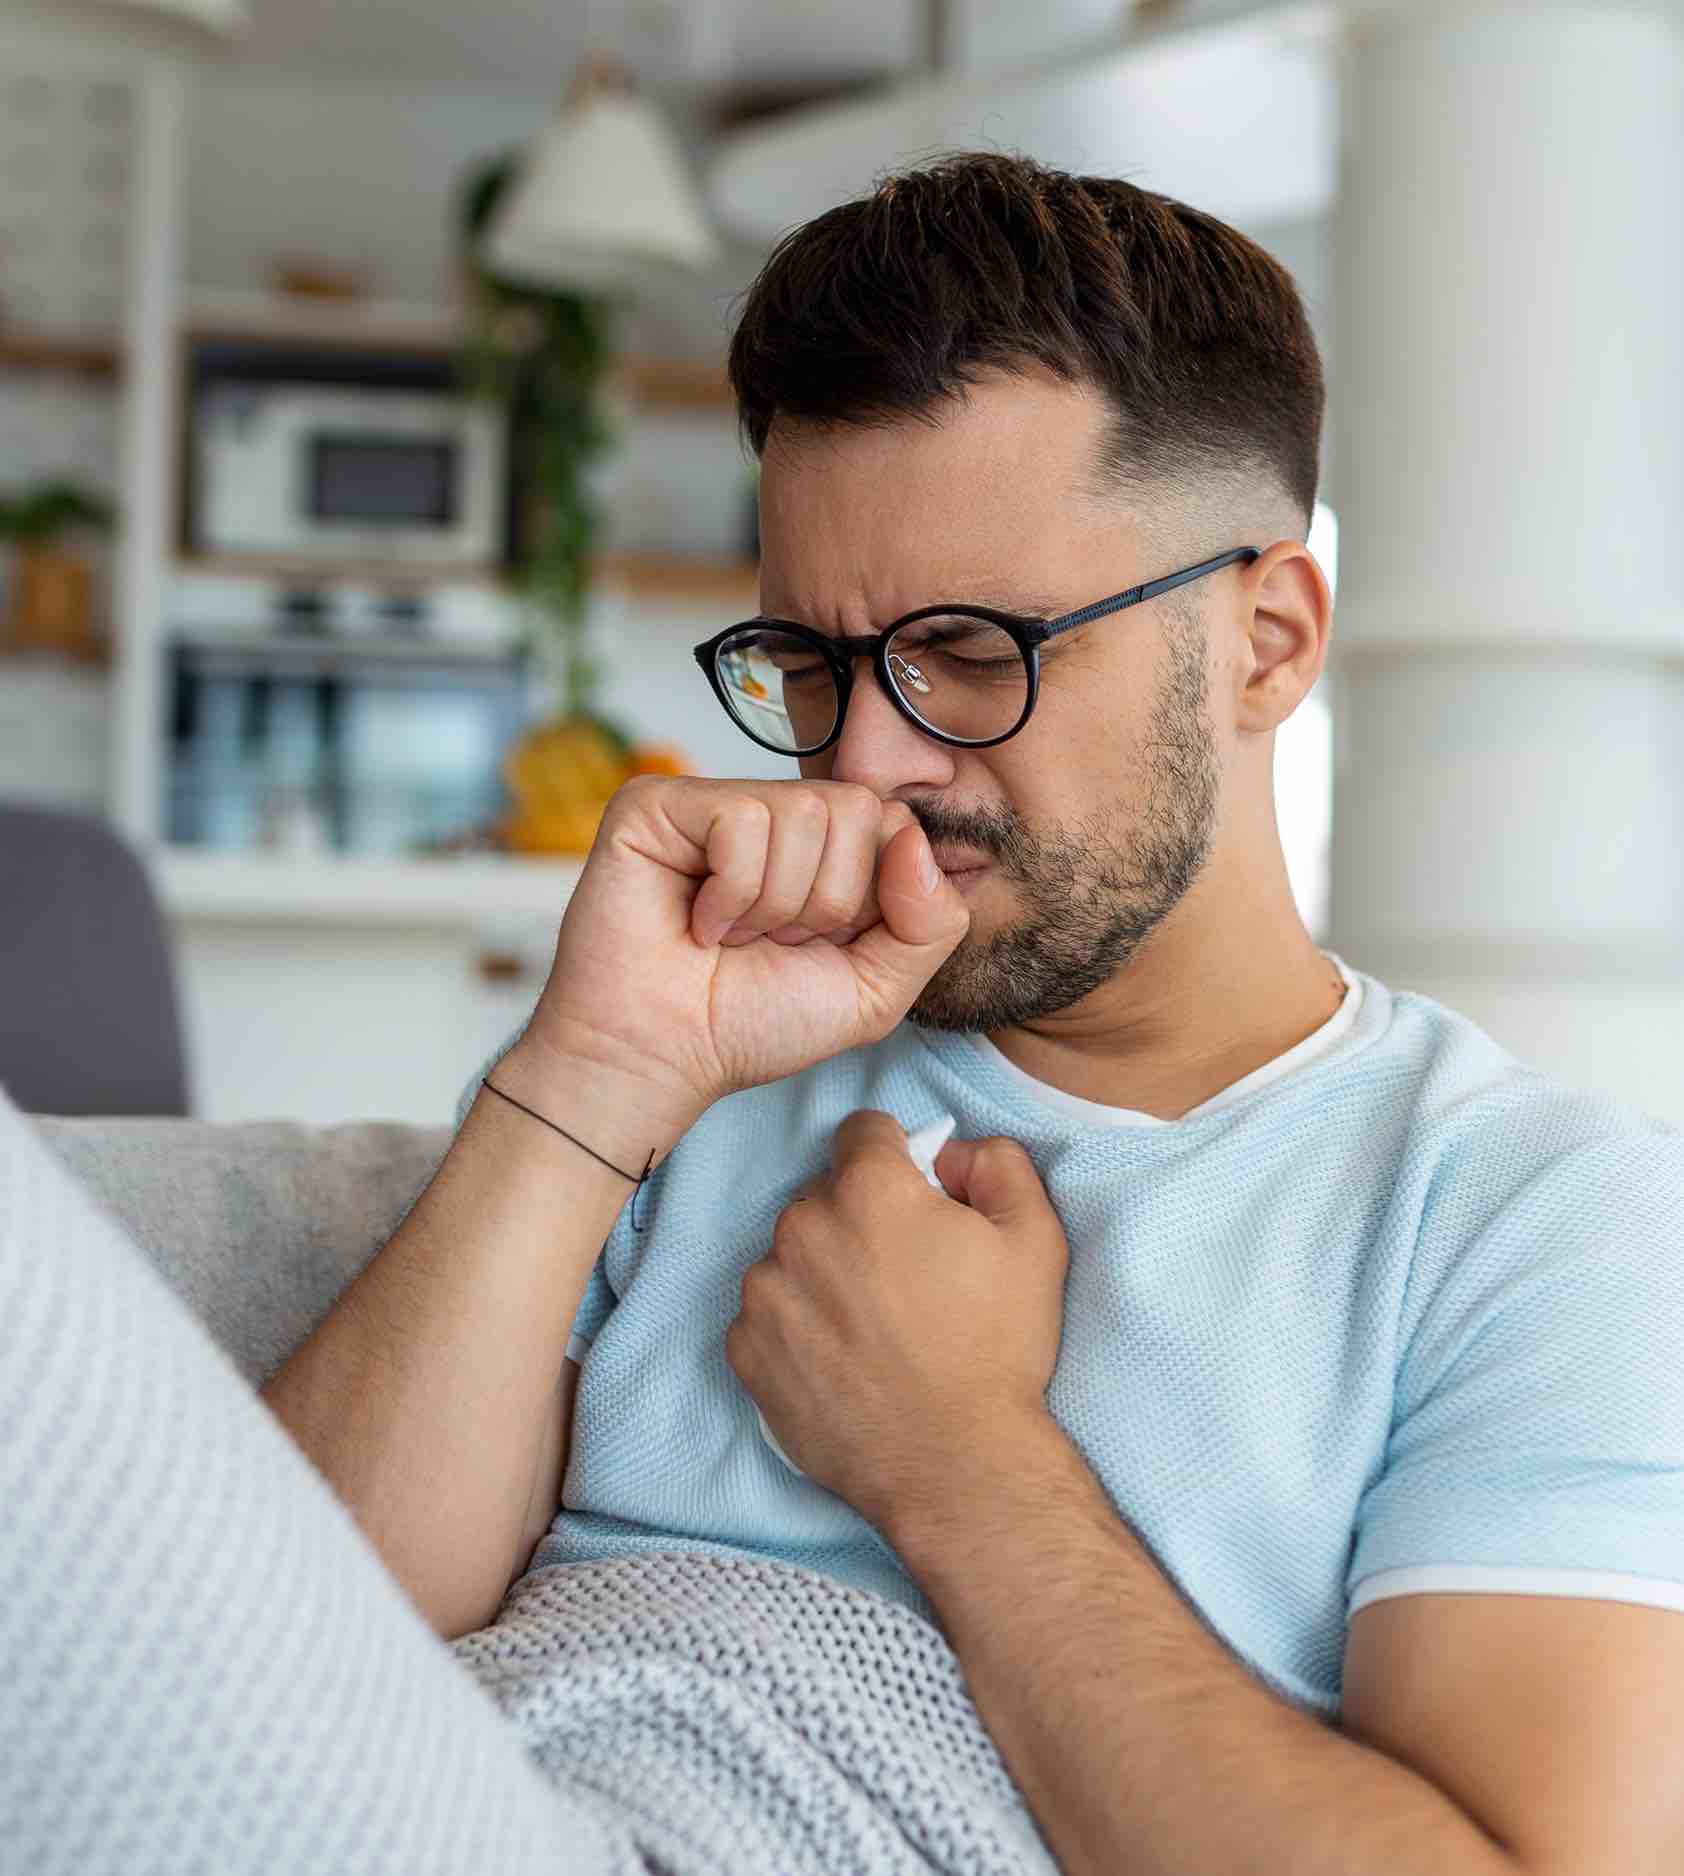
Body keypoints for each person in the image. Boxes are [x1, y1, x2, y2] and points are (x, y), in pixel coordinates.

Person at [17, 152, 1678, 1874]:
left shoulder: (1530, 1221)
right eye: (811, 667)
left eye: (970, 653)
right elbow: (261, 1654)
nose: (866, 761)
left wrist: (954, 1460)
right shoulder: (708, 1058)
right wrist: (590, 1076)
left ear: (1266, 640)